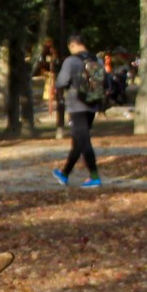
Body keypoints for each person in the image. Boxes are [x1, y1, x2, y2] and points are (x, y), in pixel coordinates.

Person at [53, 33, 101, 188]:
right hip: (92, 104)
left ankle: (94, 177)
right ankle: (64, 174)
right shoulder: (97, 59)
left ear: (72, 45)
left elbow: (61, 82)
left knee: (84, 141)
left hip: (76, 105)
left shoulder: (71, 61)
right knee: (78, 141)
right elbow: (104, 80)